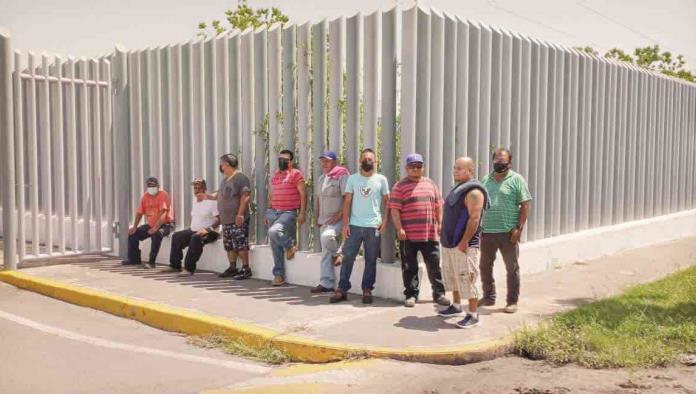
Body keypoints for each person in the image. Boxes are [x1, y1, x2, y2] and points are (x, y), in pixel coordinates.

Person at [389, 153, 450, 308]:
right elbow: (394, 209)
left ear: (422, 167)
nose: (416, 169)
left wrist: (440, 223)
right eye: (412, 167)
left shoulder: (431, 184)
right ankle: (410, 295)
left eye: (419, 166)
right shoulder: (399, 186)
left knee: (434, 265)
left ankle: (439, 294)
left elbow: (438, 205)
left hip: (429, 233)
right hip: (408, 235)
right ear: (406, 168)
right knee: (409, 267)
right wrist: (399, 228)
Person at [330, 148, 390, 304]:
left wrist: (385, 221)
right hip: (355, 226)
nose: (367, 161)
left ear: (375, 161)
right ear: (360, 161)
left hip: (373, 227)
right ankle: (342, 289)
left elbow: (388, 201)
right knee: (348, 257)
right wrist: (345, 224)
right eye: (365, 158)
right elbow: (347, 202)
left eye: (370, 158)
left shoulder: (381, 180)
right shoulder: (353, 179)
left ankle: (367, 289)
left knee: (370, 259)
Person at [438, 157, 489, 328]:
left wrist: (465, 241)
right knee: (453, 277)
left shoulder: (474, 192)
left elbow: (474, 219)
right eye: (455, 168)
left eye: (460, 168)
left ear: (470, 170)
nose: (456, 171)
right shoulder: (457, 188)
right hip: (449, 243)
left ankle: (473, 314)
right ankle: (456, 306)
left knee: (467, 278)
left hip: (463, 245)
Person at [479, 148, 532, 314]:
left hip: (508, 232)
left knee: (512, 267)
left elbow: (525, 204)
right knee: (484, 266)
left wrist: (518, 228)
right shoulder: (485, 180)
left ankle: (512, 301)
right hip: (488, 231)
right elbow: (479, 203)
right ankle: (488, 296)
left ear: (509, 163)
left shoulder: (516, 180)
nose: (499, 164)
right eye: (496, 160)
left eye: (503, 161)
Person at [203, 154, 252, 280]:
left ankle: (246, 268)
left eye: (222, 164)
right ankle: (232, 267)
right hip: (226, 219)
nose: (221, 167)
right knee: (229, 245)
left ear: (228, 164)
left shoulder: (241, 178)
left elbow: (245, 196)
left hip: (237, 218)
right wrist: (206, 196)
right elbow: (219, 195)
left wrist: (240, 214)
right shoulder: (225, 180)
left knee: (240, 244)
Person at [161, 178, 220, 276]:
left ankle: (189, 269)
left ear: (204, 188)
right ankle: (175, 266)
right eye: (195, 188)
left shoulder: (211, 201)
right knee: (177, 236)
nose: (197, 190)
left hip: (210, 232)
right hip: (194, 230)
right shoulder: (195, 201)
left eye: (199, 188)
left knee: (196, 238)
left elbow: (218, 219)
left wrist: (207, 229)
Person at [265, 149, 307, 286]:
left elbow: (303, 194)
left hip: (288, 212)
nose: (282, 161)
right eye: (280, 158)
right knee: (274, 244)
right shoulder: (276, 175)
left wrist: (302, 212)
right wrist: (267, 211)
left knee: (274, 232)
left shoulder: (296, 174)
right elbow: (271, 195)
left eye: (285, 159)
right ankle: (279, 275)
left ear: (291, 161)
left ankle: (290, 246)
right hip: (274, 211)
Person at [311, 151, 350, 294]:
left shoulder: (342, 175)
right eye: (322, 161)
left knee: (327, 237)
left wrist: (340, 214)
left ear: (334, 162)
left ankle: (337, 253)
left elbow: (347, 196)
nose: (324, 164)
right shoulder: (322, 178)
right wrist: (316, 217)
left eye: (327, 161)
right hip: (324, 219)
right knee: (325, 252)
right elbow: (318, 199)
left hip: (339, 219)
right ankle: (326, 282)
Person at [121, 177, 175, 268]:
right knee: (132, 234)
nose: (151, 187)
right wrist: (134, 226)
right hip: (151, 224)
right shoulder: (145, 196)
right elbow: (139, 212)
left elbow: (164, 214)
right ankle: (134, 259)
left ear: (158, 186)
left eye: (153, 185)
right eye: (149, 185)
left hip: (165, 224)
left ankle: (151, 262)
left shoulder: (163, 195)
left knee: (156, 235)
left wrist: (155, 228)